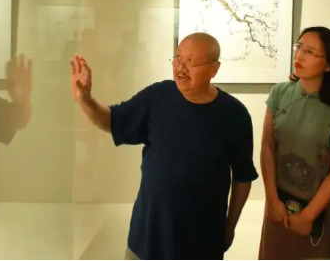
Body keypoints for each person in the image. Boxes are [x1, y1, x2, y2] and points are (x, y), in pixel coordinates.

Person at [69, 32, 258, 260]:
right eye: (178, 58)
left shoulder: (235, 115)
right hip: (148, 236)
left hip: (201, 240)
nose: (180, 67)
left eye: (190, 61)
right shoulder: (158, 96)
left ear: (214, 69)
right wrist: (86, 99)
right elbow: (112, 121)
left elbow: (243, 177)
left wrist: (230, 226)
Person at [259, 27, 330, 260]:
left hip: (320, 209)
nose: (299, 56)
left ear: (329, 65)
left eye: (309, 51)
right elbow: (268, 145)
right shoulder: (280, 93)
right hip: (279, 203)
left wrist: (308, 216)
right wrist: (272, 199)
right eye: (299, 47)